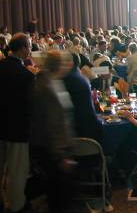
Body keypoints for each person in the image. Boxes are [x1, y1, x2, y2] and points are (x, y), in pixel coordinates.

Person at [30, 50, 76, 213]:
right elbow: (50, 124)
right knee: (58, 195)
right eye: (65, 63)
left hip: (61, 145)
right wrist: (61, 155)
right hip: (52, 149)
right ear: (58, 65)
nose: (68, 66)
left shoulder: (56, 82)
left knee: (61, 193)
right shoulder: (45, 87)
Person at [0, 33, 35, 213]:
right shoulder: (26, 76)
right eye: (29, 46)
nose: (30, 50)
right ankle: (16, 206)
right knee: (16, 172)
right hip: (18, 129)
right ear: (22, 49)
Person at [63, 52, 103, 142]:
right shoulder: (80, 76)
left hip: (82, 132)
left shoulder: (74, 77)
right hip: (90, 128)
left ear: (70, 63)